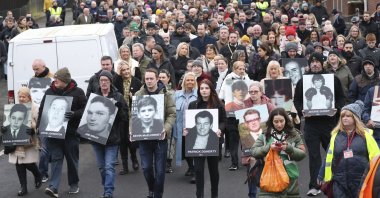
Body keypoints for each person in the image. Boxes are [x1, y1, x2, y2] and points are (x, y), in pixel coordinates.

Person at [293, 52, 345, 196]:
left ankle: (335, 183)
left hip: (330, 123)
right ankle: (315, 185)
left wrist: (337, 110)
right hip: (311, 124)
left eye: (317, 61)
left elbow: (341, 98)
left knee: (333, 154)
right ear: (309, 64)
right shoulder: (303, 81)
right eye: (312, 62)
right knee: (314, 156)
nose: (315, 64)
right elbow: (296, 100)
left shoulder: (332, 79)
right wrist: (302, 110)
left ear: (322, 63)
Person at [37, 67, 87, 198]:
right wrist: (39, 128)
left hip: (71, 134)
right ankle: (53, 187)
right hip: (54, 134)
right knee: (56, 159)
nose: (55, 80)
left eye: (57, 79)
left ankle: (74, 183)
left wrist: (75, 114)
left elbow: (86, 109)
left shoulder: (78, 92)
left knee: (72, 160)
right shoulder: (49, 91)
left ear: (65, 80)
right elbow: (42, 110)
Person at [133, 68, 176, 198]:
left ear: (157, 79)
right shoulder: (139, 94)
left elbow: (172, 114)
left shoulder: (166, 94)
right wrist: (131, 130)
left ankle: (157, 194)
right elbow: (134, 116)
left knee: (160, 170)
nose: (149, 81)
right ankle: (151, 188)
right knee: (146, 168)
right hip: (144, 138)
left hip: (160, 138)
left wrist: (166, 128)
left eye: (152, 78)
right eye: (147, 79)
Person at [323, 101, 380, 197]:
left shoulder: (366, 135)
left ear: (355, 117)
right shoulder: (335, 136)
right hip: (339, 182)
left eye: (348, 116)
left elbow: (376, 159)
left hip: (360, 181)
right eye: (342, 116)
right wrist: (326, 177)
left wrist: (374, 180)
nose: (344, 118)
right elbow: (329, 158)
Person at [87, 70, 128, 198]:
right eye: (101, 80)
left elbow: (125, 118)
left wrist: (119, 107)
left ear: (110, 82)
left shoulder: (118, 96)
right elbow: (87, 115)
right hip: (97, 138)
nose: (103, 83)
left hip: (112, 138)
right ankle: (106, 185)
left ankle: (108, 193)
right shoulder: (94, 96)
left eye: (106, 80)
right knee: (102, 167)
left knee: (109, 166)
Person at [184, 79, 226, 198]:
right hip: (196, 143)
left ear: (211, 90)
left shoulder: (218, 104)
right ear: (199, 90)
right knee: (198, 170)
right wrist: (186, 130)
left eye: (206, 88)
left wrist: (220, 129)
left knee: (213, 170)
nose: (204, 91)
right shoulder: (193, 104)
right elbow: (190, 123)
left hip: (213, 141)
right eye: (202, 88)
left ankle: (214, 194)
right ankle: (199, 195)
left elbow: (223, 121)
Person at [252, 107, 306, 197]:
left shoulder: (294, 134)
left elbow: (302, 154)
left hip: (290, 179)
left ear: (286, 120)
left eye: (282, 121)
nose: (279, 124)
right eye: (276, 122)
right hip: (270, 178)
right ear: (271, 122)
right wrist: (269, 147)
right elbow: (254, 151)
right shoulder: (265, 135)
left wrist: (289, 148)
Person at [2, 88, 42, 196]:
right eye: (19, 96)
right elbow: (8, 122)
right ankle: (23, 187)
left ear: (29, 97)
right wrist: (5, 129)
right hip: (16, 141)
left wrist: (34, 129)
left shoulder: (35, 107)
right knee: (18, 163)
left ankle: (37, 174)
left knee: (28, 163)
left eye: (23, 96)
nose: (21, 99)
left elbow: (40, 124)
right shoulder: (14, 107)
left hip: (29, 141)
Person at [116, 61, 142, 174]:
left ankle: (134, 158)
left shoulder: (136, 82)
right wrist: (117, 74)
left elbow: (142, 97)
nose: (126, 72)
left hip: (133, 114)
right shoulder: (117, 81)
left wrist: (134, 97)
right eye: (123, 70)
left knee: (132, 140)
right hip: (121, 115)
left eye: (127, 69)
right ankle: (125, 166)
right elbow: (113, 86)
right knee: (122, 140)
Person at [173, 72, 197, 179]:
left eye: (192, 80)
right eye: (188, 80)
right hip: (181, 127)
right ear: (184, 82)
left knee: (194, 150)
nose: (190, 82)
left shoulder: (199, 94)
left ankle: (195, 171)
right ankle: (191, 167)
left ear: (195, 82)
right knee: (184, 150)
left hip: (195, 128)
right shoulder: (177, 94)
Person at [239, 109, 263, 198]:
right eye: (249, 121)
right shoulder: (244, 139)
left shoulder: (268, 135)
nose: (253, 123)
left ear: (260, 120)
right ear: (245, 124)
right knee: (252, 187)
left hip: (268, 161)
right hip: (251, 161)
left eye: (255, 119)